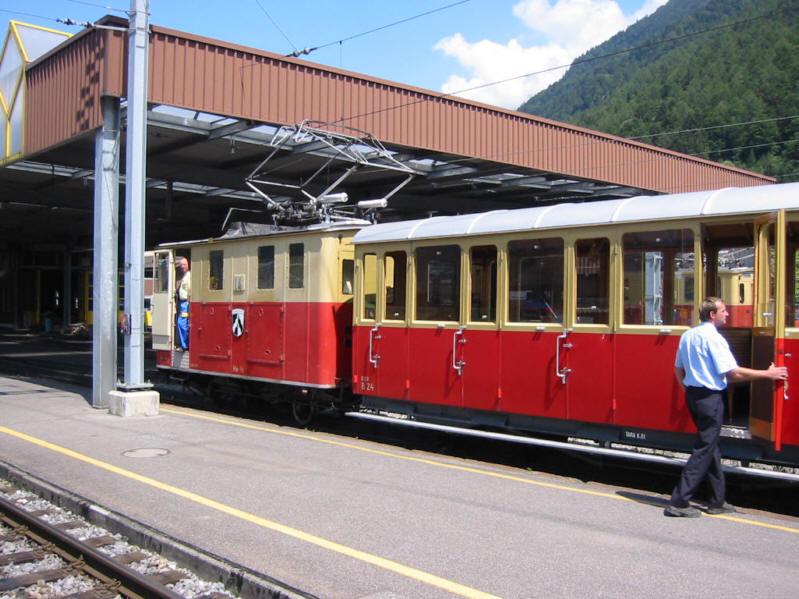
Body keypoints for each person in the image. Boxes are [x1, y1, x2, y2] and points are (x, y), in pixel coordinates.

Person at [665, 297, 788, 517]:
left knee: (711, 446)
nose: (727, 314)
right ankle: (679, 501)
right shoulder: (715, 339)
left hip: (694, 396)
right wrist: (768, 374)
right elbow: (733, 373)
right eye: (724, 311)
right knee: (705, 448)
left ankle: (717, 501)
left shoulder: (688, 335)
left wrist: (688, 390)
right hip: (710, 399)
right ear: (713, 315)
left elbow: (677, 368)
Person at [176, 256, 191, 350]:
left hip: (186, 304)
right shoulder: (184, 276)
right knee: (183, 323)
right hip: (182, 303)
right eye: (181, 265)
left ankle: (185, 345)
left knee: (181, 323)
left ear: (188, 264)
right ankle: (185, 344)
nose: (183, 266)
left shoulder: (190, 276)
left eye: (184, 264)